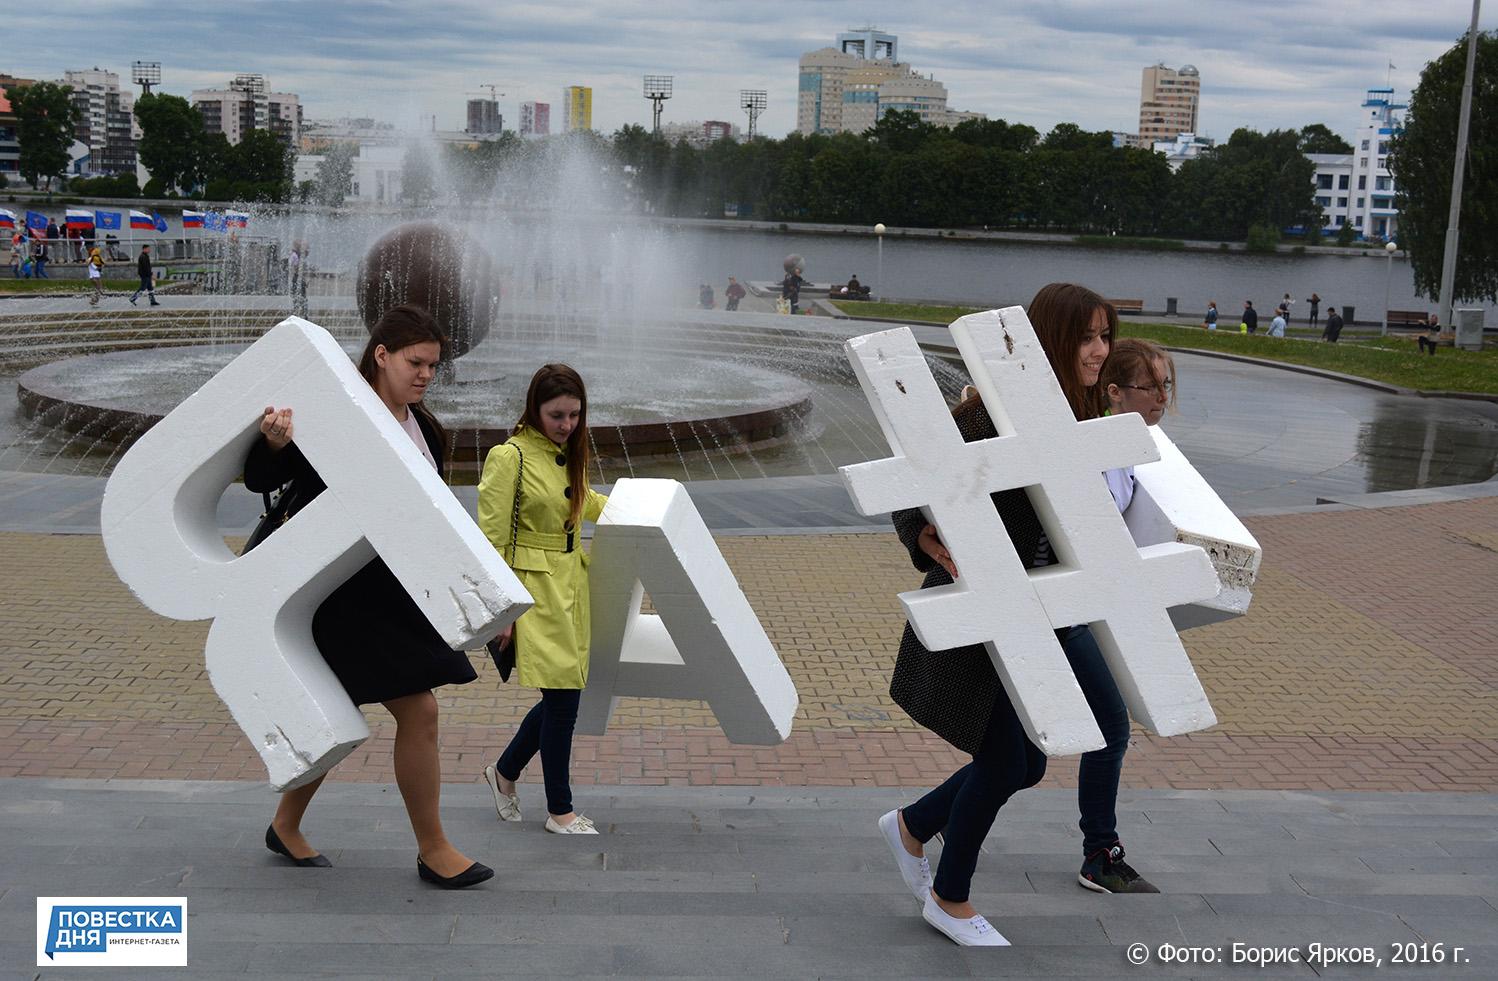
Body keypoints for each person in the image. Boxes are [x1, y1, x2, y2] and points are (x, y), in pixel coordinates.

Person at [878, 283, 1153, 950]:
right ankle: (950, 895)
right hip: (984, 613)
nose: (1099, 350)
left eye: (1105, 335)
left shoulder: (1082, 414)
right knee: (1006, 760)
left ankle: (913, 825)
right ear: (1052, 340)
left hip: (1045, 613)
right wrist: (920, 532)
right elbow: (913, 480)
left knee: (1027, 761)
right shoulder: (989, 415)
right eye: (1087, 337)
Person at [245, 304, 494, 890]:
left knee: (337, 710)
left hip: (393, 594)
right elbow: (261, 481)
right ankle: (434, 849)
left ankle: (285, 824)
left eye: (434, 365)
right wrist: (275, 443)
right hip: (336, 594)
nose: (426, 374)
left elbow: (430, 515)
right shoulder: (334, 415)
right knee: (420, 709)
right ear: (380, 355)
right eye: (416, 362)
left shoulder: (424, 426)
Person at [478, 364, 609, 836]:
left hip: (571, 583)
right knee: (563, 701)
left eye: (575, 415)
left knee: (563, 695)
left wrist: (627, 506)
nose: (567, 424)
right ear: (535, 408)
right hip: (533, 591)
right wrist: (502, 612)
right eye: (557, 415)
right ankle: (560, 810)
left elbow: (581, 499)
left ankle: (504, 774)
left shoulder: (566, 452)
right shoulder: (509, 455)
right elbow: (492, 539)